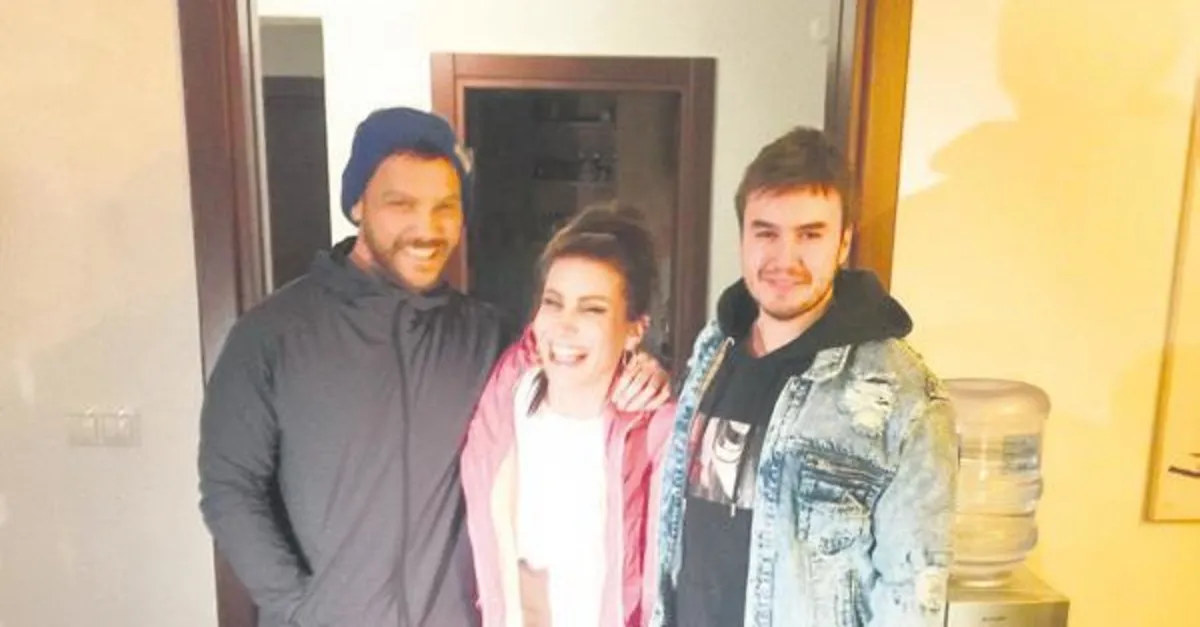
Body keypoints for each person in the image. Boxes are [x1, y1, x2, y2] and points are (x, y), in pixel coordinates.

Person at [198, 107, 667, 627]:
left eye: (445, 207)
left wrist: (639, 369)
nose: (427, 228)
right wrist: (300, 607)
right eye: (401, 204)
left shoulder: (485, 336)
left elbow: (574, 352)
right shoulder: (273, 335)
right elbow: (229, 487)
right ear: (357, 204)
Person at [649, 127, 958, 627]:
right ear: (743, 237)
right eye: (766, 233)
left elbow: (911, 598)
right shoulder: (714, 346)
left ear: (843, 242)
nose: (784, 260)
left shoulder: (904, 398)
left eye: (810, 235)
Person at [461, 203, 675, 627]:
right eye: (553, 303)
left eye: (592, 308)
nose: (564, 325)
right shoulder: (508, 399)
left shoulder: (655, 436)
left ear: (636, 329)